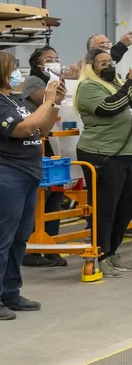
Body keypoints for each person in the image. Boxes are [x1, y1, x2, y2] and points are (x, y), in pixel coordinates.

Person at [74, 49, 132, 278]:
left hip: (127, 151)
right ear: (90, 65)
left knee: (128, 204)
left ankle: (112, 249)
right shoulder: (89, 86)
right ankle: (100, 254)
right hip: (102, 153)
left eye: (110, 62)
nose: (108, 66)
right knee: (105, 207)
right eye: (102, 63)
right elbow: (108, 107)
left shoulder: (119, 83)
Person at [0, 52, 64, 319]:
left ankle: (11, 292)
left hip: (29, 174)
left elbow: (43, 130)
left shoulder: (16, 100)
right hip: (8, 174)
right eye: (14, 68)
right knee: (3, 238)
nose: (18, 73)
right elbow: (23, 129)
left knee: (19, 237)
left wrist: (55, 103)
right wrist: (46, 101)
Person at [20, 47, 67, 268]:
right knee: (38, 197)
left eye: (56, 59)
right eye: (49, 59)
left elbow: (59, 103)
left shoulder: (56, 81)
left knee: (55, 195)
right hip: (34, 144)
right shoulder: (33, 82)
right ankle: (30, 247)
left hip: (52, 143)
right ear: (37, 63)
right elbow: (46, 102)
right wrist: (56, 90)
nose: (54, 62)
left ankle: (51, 245)